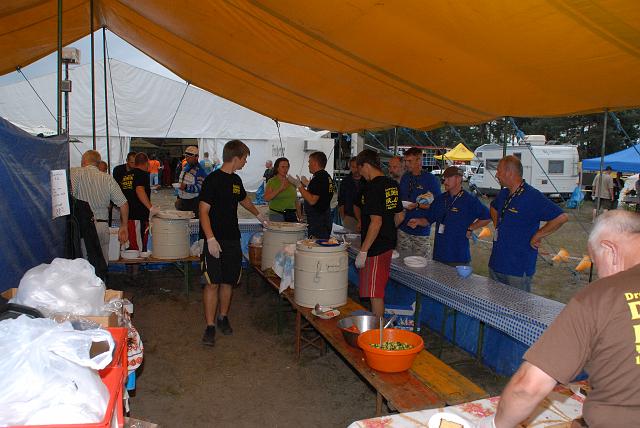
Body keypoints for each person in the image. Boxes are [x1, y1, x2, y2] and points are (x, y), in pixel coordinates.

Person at [489, 211, 640, 428]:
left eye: (596, 263)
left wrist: (495, 425)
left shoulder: (602, 295)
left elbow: (528, 387)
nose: (600, 274)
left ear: (610, 250)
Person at [199, 140, 267, 346]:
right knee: (212, 283)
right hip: (215, 239)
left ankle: (223, 317)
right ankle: (210, 326)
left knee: (228, 281)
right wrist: (210, 238)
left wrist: (259, 215)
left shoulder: (236, 180)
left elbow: (243, 199)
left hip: (232, 239)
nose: (245, 162)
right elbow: (203, 211)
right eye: (245, 158)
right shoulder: (212, 180)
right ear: (236, 158)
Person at [489, 155, 568, 291]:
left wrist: (538, 235)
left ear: (509, 172)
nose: (496, 175)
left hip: (517, 269)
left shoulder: (532, 196)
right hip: (496, 264)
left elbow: (561, 217)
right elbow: (493, 207)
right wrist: (498, 226)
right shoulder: (503, 194)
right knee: (492, 303)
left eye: (499, 171)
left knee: (517, 304)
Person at [353, 150, 403, 317]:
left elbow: (376, 222)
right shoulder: (392, 184)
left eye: (360, 169)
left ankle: (377, 330)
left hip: (376, 248)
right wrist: (388, 231)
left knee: (375, 294)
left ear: (365, 165)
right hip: (388, 245)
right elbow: (400, 216)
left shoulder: (372, 188)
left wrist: (363, 251)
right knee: (376, 290)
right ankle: (376, 325)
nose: (360, 174)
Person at [419, 166, 491, 266]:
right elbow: (428, 220)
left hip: (459, 258)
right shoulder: (440, 199)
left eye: (448, 179)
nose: (445, 182)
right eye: (444, 179)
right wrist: (417, 221)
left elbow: (487, 217)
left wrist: (471, 228)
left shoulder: (469, 200)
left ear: (458, 179)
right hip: (439, 256)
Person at [70, 150, 129, 263]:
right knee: (103, 262)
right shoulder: (107, 178)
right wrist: (124, 226)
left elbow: (70, 197)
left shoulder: (75, 173)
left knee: (85, 263)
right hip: (103, 226)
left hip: (84, 226)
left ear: (83, 161)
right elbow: (124, 203)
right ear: (98, 163)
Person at [397, 147, 441, 255]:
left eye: (409, 161)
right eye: (405, 161)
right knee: (401, 261)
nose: (406, 164)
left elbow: (437, 206)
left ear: (419, 160)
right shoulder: (405, 177)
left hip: (421, 232)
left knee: (420, 263)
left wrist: (417, 205)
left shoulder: (430, 179)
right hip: (403, 229)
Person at [121, 153, 160, 252]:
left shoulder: (126, 175)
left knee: (130, 246)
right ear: (147, 163)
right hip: (138, 216)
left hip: (126, 216)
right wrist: (151, 208)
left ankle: (132, 263)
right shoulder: (142, 174)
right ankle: (138, 263)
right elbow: (139, 190)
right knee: (138, 249)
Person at [293, 151, 335, 239]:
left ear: (315, 163)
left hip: (319, 221)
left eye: (309, 162)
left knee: (316, 244)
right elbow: (320, 192)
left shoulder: (319, 178)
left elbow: (312, 200)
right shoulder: (326, 176)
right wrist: (308, 184)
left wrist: (299, 186)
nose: (308, 165)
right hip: (323, 217)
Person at [264, 157, 301, 222]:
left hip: (291, 215)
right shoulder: (271, 181)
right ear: (277, 168)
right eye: (283, 167)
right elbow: (266, 198)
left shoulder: (291, 181)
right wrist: (280, 189)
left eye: (287, 167)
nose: (285, 169)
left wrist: (299, 215)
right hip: (276, 215)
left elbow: (296, 200)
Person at [176, 146, 207, 217]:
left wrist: (186, 187)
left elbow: (200, 187)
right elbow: (181, 182)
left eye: (189, 157)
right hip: (183, 201)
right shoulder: (186, 167)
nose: (187, 158)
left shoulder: (200, 171)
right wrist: (178, 197)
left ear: (196, 157)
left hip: (194, 203)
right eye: (186, 156)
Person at [338, 157, 364, 232]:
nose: (356, 169)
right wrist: (343, 217)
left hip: (365, 218)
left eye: (357, 167)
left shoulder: (367, 181)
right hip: (349, 217)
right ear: (350, 167)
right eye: (353, 167)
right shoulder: (345, 182)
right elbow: (341, 201)